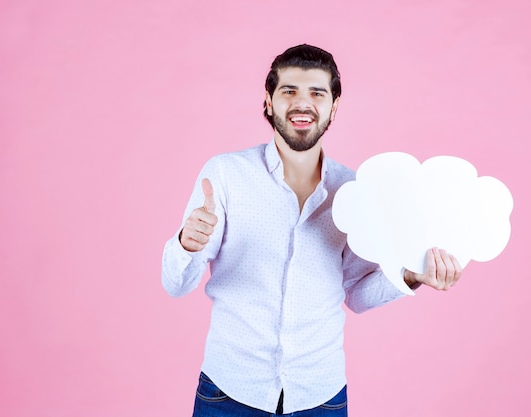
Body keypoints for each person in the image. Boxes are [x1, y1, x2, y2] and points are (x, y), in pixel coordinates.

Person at [161, 44, 462, 417]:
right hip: (228, 391)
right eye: (289, 91)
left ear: (334, 107)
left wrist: (410, 276)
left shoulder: (353, 192)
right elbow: (175, 284)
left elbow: (357, 294)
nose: (302, 103)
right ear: (269, 102)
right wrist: (186, 245)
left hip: (320, 396)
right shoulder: (224, 175)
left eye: (317, 93)